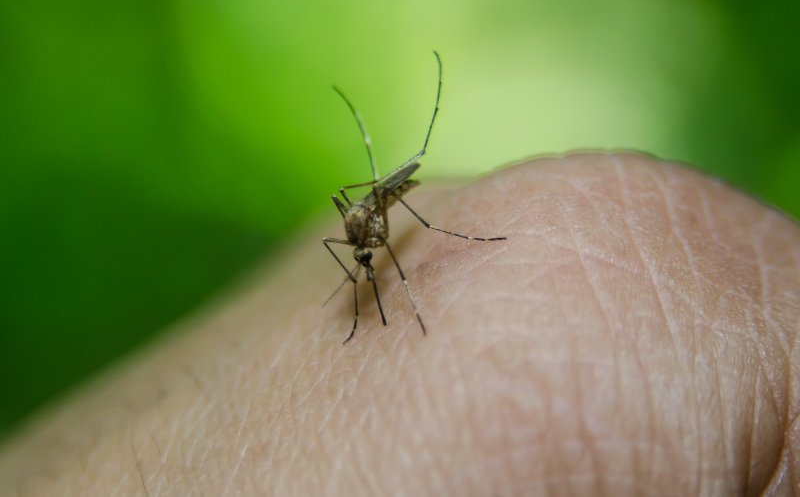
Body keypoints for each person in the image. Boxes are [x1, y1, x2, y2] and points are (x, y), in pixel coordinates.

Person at [1, 152, 797, 495]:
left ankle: (450, 242)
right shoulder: (351, 233)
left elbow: (373, 217)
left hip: (395, 196)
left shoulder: (378, 212)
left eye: (364, 231)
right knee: (354, 244)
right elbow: (348, 236)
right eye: (360, 234)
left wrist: (410, 239)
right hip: (370, 213)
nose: (360, 240)